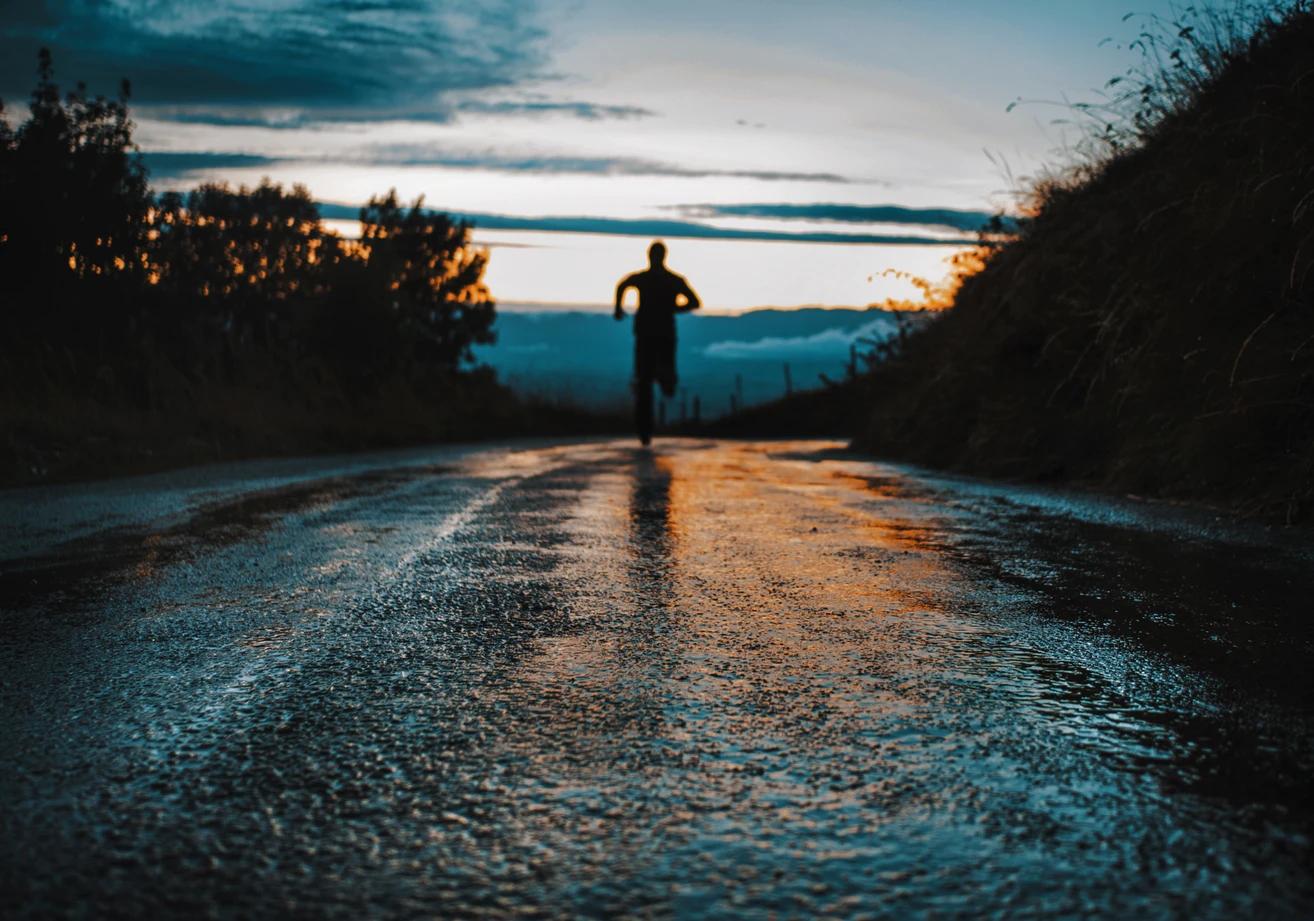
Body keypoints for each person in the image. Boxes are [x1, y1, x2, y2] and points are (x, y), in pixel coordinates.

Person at [614, 241, 701, 445]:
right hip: (659, 334)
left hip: (650, 334)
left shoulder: (649, 279)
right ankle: (645, 428)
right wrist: (673, 308)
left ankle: (647, 423)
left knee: (646, 379)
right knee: (646, 380)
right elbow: (694, 302)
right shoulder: (673, 280)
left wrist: (618, 308)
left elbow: (622, 285)